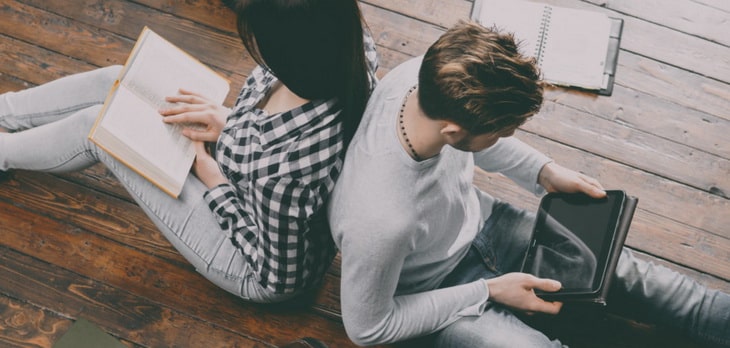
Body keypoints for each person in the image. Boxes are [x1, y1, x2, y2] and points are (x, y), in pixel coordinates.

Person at [327, 20, 730, 347]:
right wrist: (489, 291)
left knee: (639, 279)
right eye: (501, 133)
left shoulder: (424, 76)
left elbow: (476, 144)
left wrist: (545, 172)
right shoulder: (379, 219)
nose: (504, 138)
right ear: (451, 132)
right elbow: (368, 328)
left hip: (485, 225)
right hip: (434, 296)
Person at [0, 0, 377, 303]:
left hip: (246, 257)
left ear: (287, 53)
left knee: (96, 130)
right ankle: (6, 111)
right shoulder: (349, 42)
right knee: (120, 78)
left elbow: (276, 274)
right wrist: (230, 122)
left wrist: (213, 181)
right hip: (244, 160)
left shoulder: (285, 174)